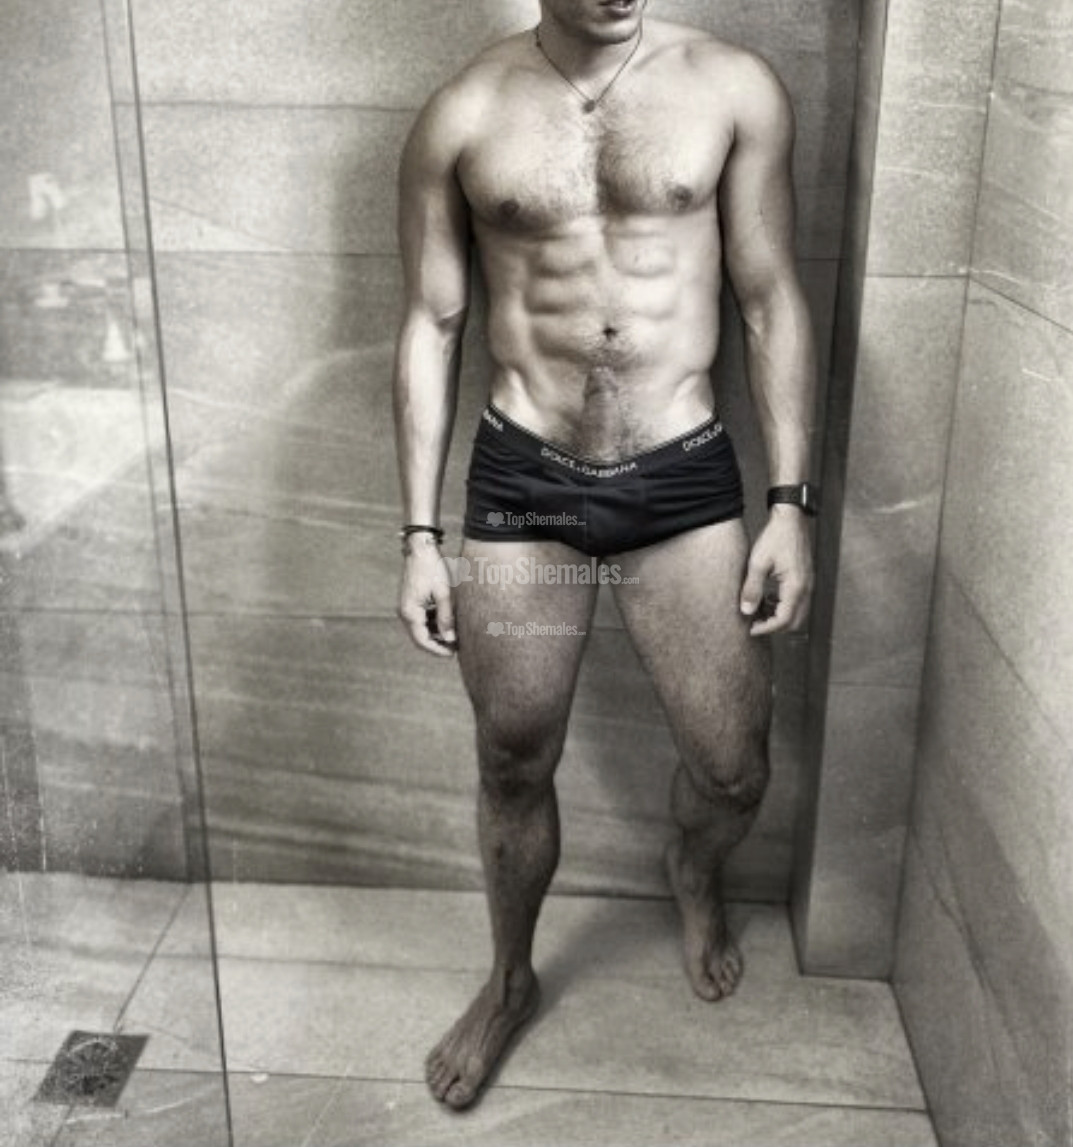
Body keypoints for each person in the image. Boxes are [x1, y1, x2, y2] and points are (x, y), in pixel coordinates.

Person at [393, 0, 817, 1112]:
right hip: (523, 484)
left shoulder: (728, 86)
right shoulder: (463, 112)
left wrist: (789, 504)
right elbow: (431, 323)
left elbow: (769, 296)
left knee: (733, 769)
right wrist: (419, 535)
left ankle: (692, 864)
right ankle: (509, 978)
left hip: (678, 480)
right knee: (511, 756)